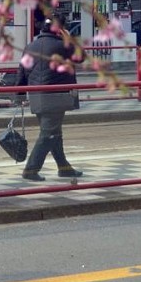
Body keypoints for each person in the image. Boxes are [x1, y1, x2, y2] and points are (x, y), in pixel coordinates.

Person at [15, 16, 83, 181]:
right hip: (56, 96)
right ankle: (31, 170)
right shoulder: (63, 45)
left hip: (36, 96)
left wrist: (19, 95)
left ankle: (64, 167)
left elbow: (22, 71)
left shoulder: (30, 46)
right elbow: (81, 57)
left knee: (54, 133)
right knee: (48, 134)